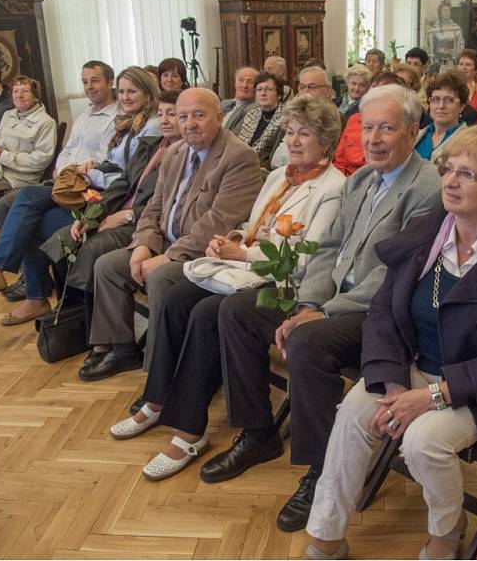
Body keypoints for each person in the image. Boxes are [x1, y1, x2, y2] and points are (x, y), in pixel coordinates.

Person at [193, 85, 441, 537]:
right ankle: (259, 434)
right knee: (237, 311)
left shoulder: (427, 188)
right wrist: (309, 302)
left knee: (307, 341)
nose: (374, 138)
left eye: (387, 128)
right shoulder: (364, 180)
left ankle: (320, 472)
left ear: (413, 132)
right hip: (329, 302)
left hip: (380, 314)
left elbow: (394, 274)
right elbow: (328, 250)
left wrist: (323, 314)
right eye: (367, 128)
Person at [304, 127, 477, 560]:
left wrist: (432, 396)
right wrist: (395, 384)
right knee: (354, 414)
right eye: (447, 170)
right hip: (416, 367)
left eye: (467, 174)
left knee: (423, 443)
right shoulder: (430, 229)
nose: (451, 182)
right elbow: (383, 311)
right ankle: (326, 533)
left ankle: (446, 531)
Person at [107, 95, 347, 480]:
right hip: (246, 271)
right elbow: (252, 230)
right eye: (290, 132)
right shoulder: (278, 176)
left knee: (210, 312)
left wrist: (243, 254)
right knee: (178, 293)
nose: (295, 141)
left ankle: (193, 432)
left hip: (286, 285)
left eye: (306, 134)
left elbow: (306, 260)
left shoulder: (333, 187)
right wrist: (230, 242)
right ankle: (157, 399)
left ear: (327, 141)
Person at [78, 88, 262, 382]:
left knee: (161, 278)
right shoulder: (176, 151)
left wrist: (167, 257)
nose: (189, 124)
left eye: (199, 116)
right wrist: (142, 245)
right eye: (183, 116)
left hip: (205, 252)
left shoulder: (239, 157)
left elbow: (217, 222)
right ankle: (122, 349)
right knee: (108, 266)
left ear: (219, 117)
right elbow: (154, 207)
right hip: (165, 240)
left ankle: (161, 375)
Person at [0, 60, 120, 305]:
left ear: (109, 82)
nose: (89, 86)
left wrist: (69, 173)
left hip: (83, 186)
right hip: (63, 181)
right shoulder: (84, 115)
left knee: (25, 210)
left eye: (95, 80)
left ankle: (23, 286)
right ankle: (29, 286)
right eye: (84, 81)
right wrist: (62, 170)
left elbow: (101, 160)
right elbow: (67, 150)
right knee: (5, 206)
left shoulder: (114, 117)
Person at [40, 89, 184, 339]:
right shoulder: (151, 146)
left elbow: (171, 205)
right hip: (119, 212)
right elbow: (122, 182)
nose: (164, 120)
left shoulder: (186, 154)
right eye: (161, 114)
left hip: (143, 222)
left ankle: (95, 330)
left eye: (172, 114)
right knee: (65, 239)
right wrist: (93, 216)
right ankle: (75, 316)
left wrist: (128, 216)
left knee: (93, 249)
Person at [0, 76, 56, 257]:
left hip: (20, 176)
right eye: (16, 91)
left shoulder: (46, 122)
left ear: (36, 96)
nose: (19, 95)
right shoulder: (8, 115)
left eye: (25, 91)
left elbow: (41, 160)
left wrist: (4, 156)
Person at [333, 72, 406, 177]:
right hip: (344, 178)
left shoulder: (399, 122)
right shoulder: (354, 119)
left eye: (383, 89)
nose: (376, 93)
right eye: (374, 87)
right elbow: (339, 159)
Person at [270, 67, 336, 170]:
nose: (306, 92)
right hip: (277, 171)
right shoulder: (292, 115)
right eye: (302, 87)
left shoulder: (332, 120)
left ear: (328, 91)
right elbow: (269, 148)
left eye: (312, 87)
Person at [235, 72, 285, 169]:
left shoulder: (286, 117)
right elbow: (237, 141)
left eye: (269, 89)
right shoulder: (251, 114)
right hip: (239, 161)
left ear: (279, 95)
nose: (263, 93)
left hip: (260, 167)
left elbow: (270, 154)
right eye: (259, 89)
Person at [415, 71, 469, 162]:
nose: (441, 106)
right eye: (436, 99)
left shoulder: (469, 141)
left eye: (449, 100)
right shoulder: (418, 134)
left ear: (461, 107)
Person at [425, 0, 465, 73]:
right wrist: (432, 62)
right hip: (437, 63)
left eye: (448, 10)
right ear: (440, 12)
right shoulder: (433, 30)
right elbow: (429, 48)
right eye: (444, 10)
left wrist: (457, 61)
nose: (447, 13)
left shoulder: (456, 29)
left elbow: (460, 47)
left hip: (452, 63)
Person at [221, 66, 259, 134]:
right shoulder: (224, 103)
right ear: (235, 83)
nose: (244, 85)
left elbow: (234, 136)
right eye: (241, 80)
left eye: (250, 82)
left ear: (256, 87)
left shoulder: (254, 110)